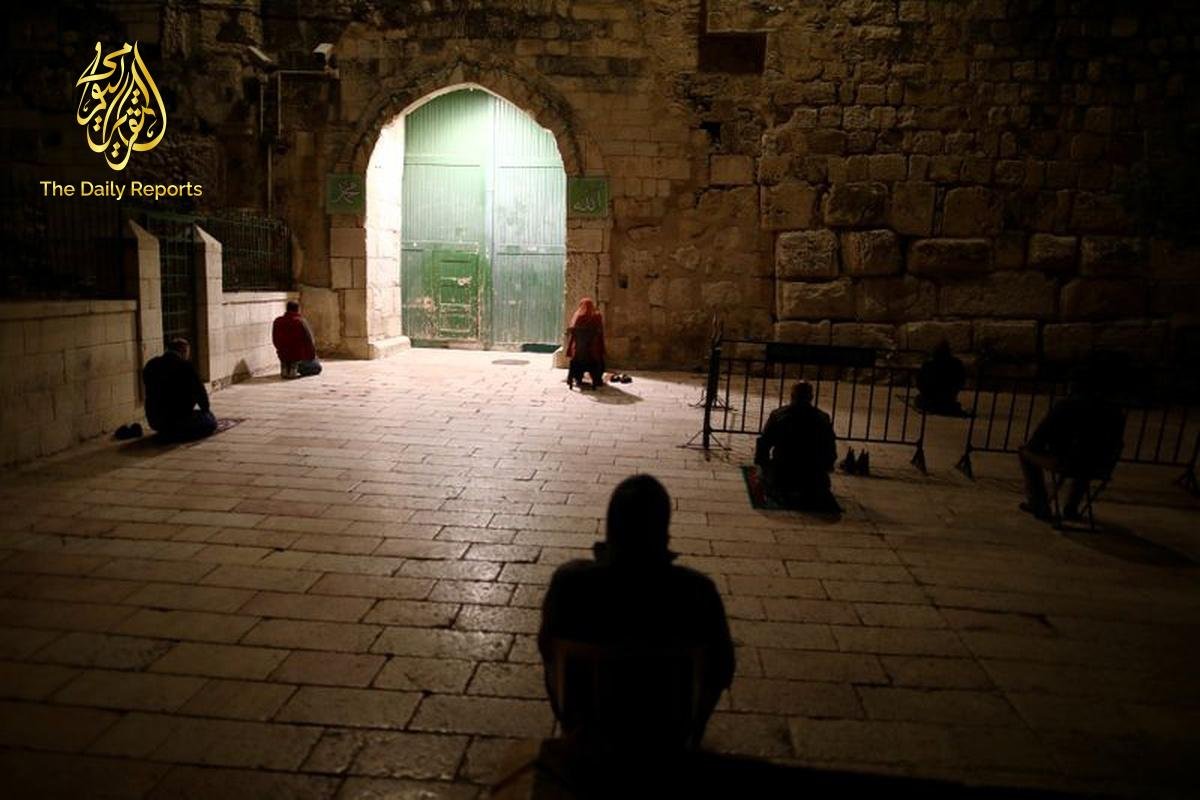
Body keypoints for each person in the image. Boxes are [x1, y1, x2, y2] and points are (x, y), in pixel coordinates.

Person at [538, 475, 735, 762]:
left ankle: (575, 731)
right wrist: (694, 733)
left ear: (610, 529)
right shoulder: (696, 593)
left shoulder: (569, 585)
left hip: (589, 748)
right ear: (664, 534)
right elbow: (721, 670)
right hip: (666, 743)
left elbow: (547, 650)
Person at [1019, 371, 1125, 521]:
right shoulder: (1114, 411)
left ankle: (1039, 503)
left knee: (1025, 453)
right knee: (1088, 458)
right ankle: (1071, 507)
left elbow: (1037, 440)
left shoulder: (1066, 406)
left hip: (1066, 462)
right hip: (1101, 466)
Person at [756, 381, 840, 512]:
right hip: (813, 476)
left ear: (792, 396)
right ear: (811, 397)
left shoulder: (778, 415)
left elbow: (764, 443)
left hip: (783, 472)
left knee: (767, 476)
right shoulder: (822, 418)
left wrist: (763, 465)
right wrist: (825, 468)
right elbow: (830, 449)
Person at [142, 338, 217, 442]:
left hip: (155, 420)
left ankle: (169, 431)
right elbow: (201, 396)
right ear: (183, 351)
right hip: (180, 420)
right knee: (210, 420)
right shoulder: (186, 367)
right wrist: (206, 411)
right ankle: (180, 433)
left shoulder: (151, 364)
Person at [271, 300, 322, 378]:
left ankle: (286, 367)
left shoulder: (277, 321)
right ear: (298, 309)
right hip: (298, 356)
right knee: (317, 367)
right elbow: (310, 341)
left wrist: (281, 350)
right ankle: (294, 368)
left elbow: (275, 340)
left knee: (288, 357)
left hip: (283, 354)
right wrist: (312, 356)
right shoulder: (300, 322)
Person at [916, 340, 967, 415]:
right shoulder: (957, 364)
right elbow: (961, 381)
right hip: (948, 400)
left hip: (932, 400)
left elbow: (920, 383)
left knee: (920, 400)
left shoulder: (928, 365)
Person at [565, 297, 605, 390]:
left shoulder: (578, 317)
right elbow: (600, 334)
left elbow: (572, 335)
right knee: (599, 357)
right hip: (592, 354)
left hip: (578, 354)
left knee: (576, 354)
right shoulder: (597, 317)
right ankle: (597, 379)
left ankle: (577, 377)